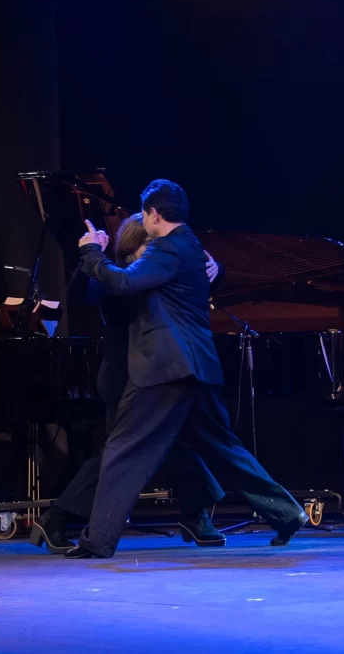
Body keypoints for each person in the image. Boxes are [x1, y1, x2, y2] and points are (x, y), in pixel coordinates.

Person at [65, 179, 307, 558]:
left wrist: (92, 252)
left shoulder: (165, 248)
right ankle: (287, 513)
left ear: (153, 214)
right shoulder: (192, 244)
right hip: (199, 366)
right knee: (223, 448)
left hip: (164, 366)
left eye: (144, 213)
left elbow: (124, 282)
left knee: (124, 449)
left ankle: (98, 539)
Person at [30, 215, 228, 553]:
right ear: (131, 246)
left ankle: (194, 514)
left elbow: (197, 288)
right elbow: (80, 295)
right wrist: (91, 255)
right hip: (124, 375)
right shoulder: (117, 274)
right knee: (119, 453)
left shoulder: (161, 269)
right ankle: (57, 518)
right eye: (150, 244)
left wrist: (216, 270)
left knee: (175, 442)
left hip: (159, 374)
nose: (160, 250)